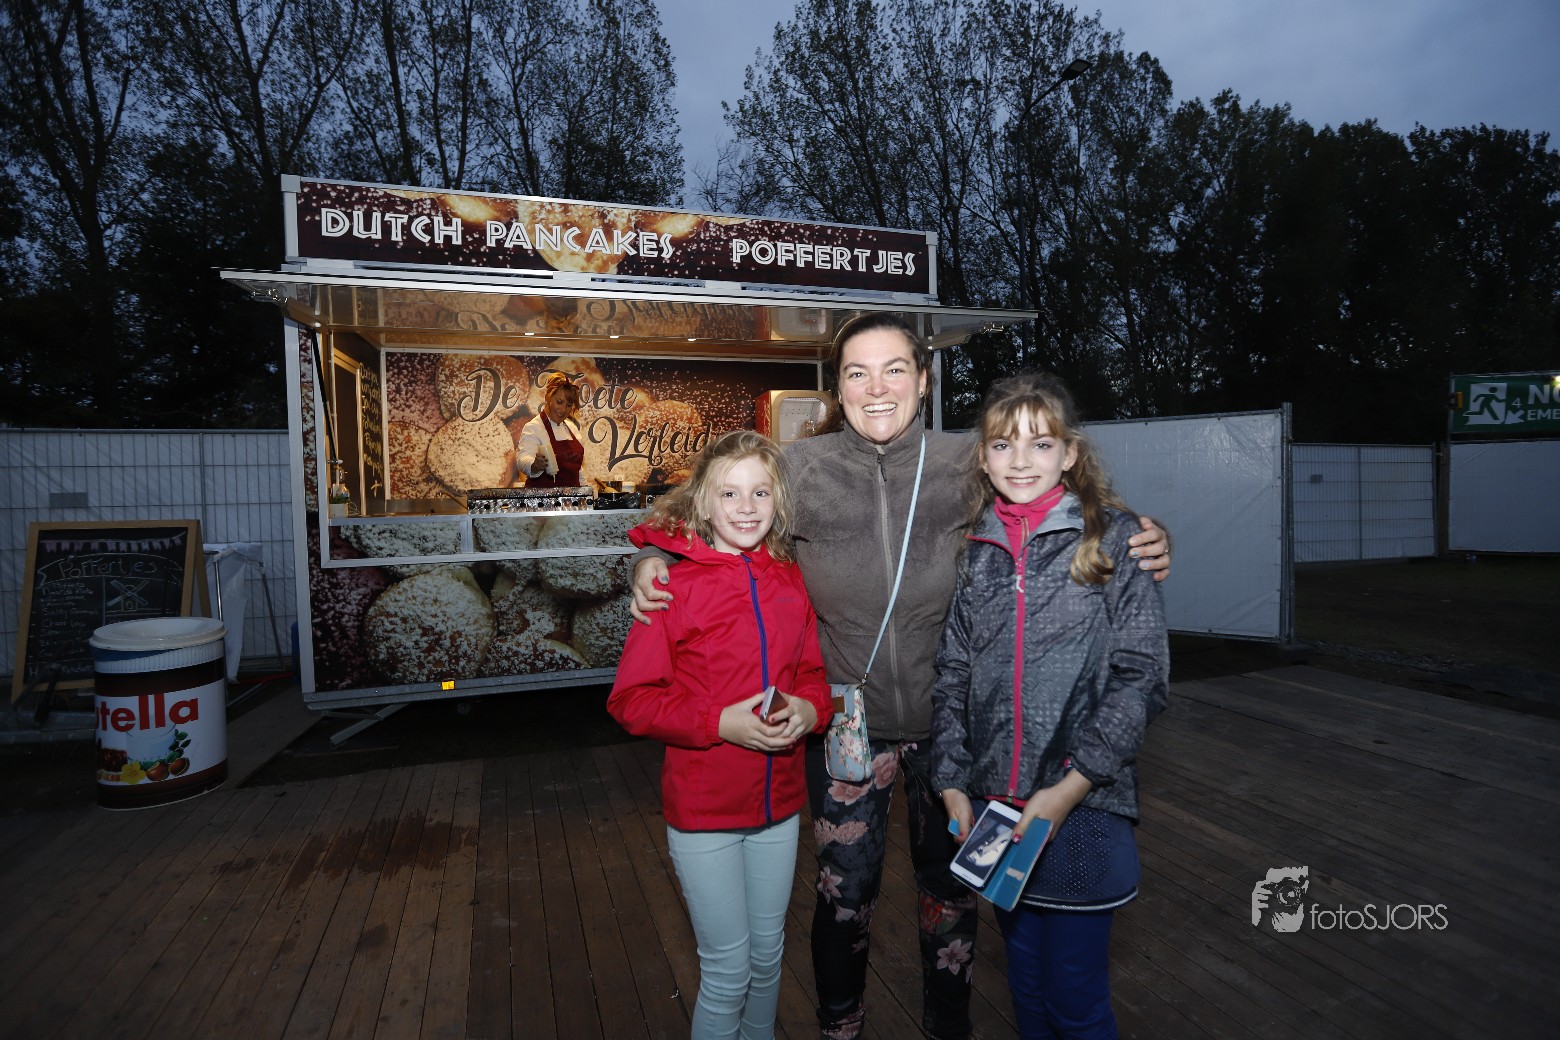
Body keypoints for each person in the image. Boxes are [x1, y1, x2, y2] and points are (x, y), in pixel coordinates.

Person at [631, 314, 1171, 1040]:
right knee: (842, 896)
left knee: (951, 898)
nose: (876, 387)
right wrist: (649, 560)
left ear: (923, 380)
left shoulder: (971, 462)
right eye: (858, 373)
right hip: (844, 727)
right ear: (838, 388)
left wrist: (1144, 536)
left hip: (951, 732)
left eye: (894, 369)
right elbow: (701, 510)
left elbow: (1056, 500)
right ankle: (840, 1028)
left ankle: (949, 1030)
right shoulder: (799, 468)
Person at [931, 370, 1169, 1040]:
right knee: (1028, 988)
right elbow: (952, 673)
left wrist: (1071, 787)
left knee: (1076, 1002)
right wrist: (951, 782)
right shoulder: (975, 549)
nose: (1020, 461)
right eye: (1002, 444)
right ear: (983, 458)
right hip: (996, 813)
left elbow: (1142, 676)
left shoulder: (1114, 540)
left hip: (1083, 808)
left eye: (1040, 444)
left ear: (1070, 454)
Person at [608, 429, 835, 1040]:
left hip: (780, 807)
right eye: (729, 493)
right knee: (728, 970)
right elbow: (631, 700)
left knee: (768, 955)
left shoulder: (790, 579)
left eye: (760, 492)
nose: (746, 507)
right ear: (702, 503)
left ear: (778, 502)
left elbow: (812, 676)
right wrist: (718, 722)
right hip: (704, 813)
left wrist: (810, 710)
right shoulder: (670, 587)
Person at [510, 372, 584, 486]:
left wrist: (586, 490)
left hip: (572, 496)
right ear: (548, 398)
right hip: (542, 496)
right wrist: (535, 465)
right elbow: (523, 459)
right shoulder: (534, 427)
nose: (563, 410)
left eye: (569, 405)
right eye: (559, 402)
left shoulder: (572, 429)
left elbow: (578, 471)